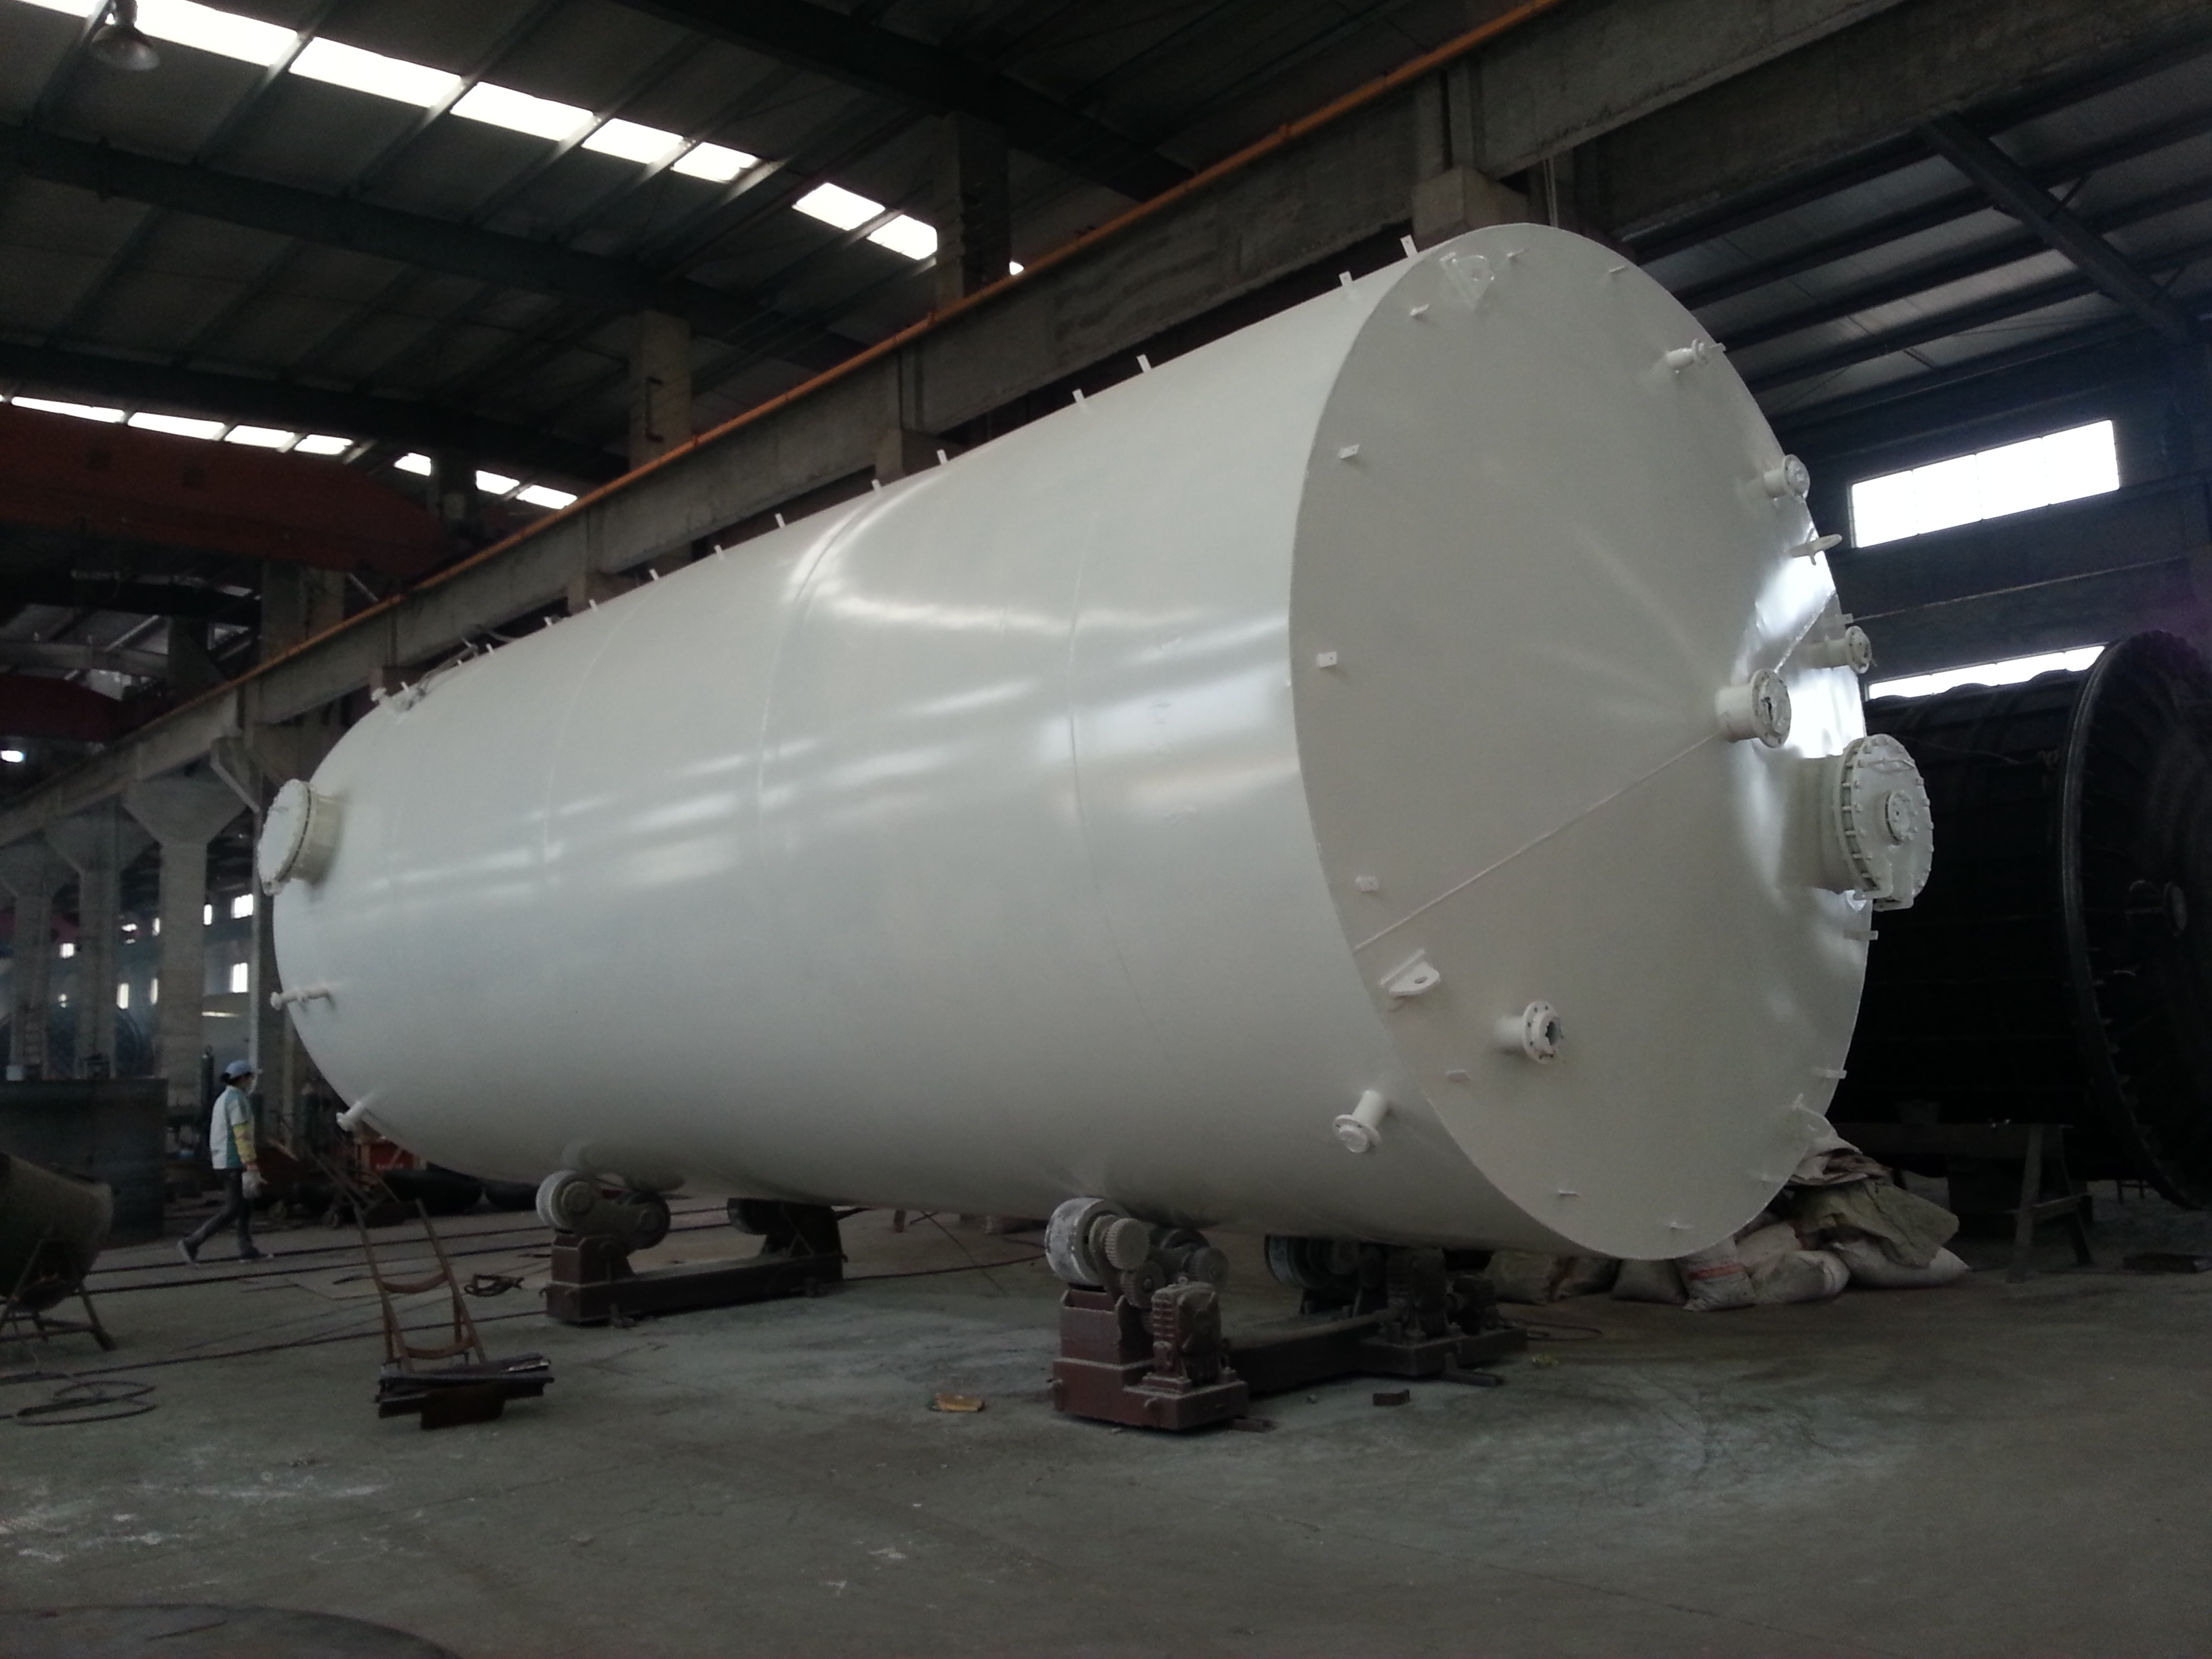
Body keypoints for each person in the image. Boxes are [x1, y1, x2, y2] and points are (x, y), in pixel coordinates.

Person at [180, 1059, 266, 1264]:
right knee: (234, 1208)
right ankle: (192, 1242)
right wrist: (250, 1163)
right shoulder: (237, 1100)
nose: (252, 1081)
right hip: (233, 1162)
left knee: (245, 1206)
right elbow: (241, 1134)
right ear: (243, 1078)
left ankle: (247, 1249)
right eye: (250, 1077)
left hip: (223, 1160)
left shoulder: (223, 1098)